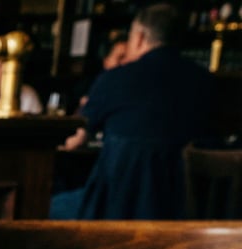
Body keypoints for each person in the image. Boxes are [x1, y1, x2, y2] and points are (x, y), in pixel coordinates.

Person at [50, 2, 213, 220]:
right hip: (186, 212)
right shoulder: (207, 82)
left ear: (139, 38)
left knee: (45, 205)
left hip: (112, 209)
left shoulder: (116, 78)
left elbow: (75, 139)